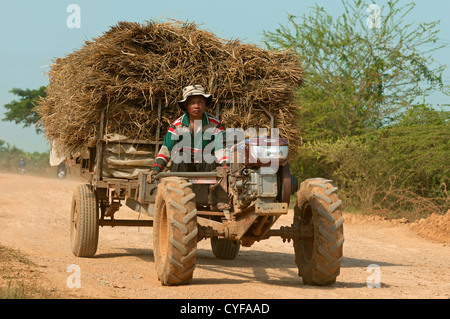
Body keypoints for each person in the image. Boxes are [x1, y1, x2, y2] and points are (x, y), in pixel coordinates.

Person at [147, 85, 229, 210]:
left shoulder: (214, 124)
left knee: (212, 159)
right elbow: (166, 149)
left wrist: (225, 165)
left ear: (205, 104)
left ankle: (217, 200)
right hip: (185, 165)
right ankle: (177, 199)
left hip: (205, 164)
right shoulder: (177, 125)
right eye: (192, 103)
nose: (197, 106)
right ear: (186, 105)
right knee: (179, 157)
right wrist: (156, 169)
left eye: (200, 102)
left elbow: (220, 148)